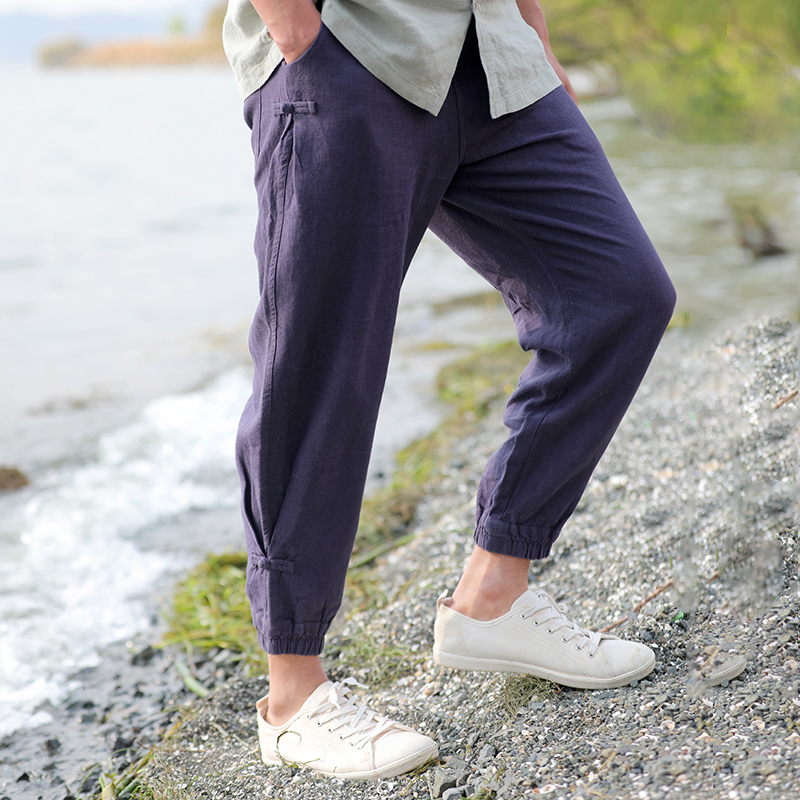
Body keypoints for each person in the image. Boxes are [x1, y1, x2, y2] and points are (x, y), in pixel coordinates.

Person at [222, 0, 677, 781]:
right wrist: (297, 29)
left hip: (495, 55)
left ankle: (493, 596)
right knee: (322, 363)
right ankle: (293, 697)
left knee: (619, 295)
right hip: (353, 48)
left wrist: (532, 36)